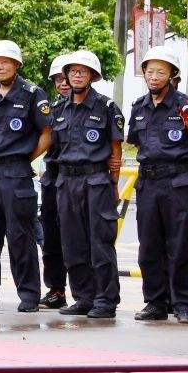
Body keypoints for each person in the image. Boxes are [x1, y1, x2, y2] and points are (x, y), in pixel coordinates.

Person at [0, 40, 52, 312]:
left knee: (20, 236)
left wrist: (24, 157)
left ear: (16, 65)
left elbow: (47, 134)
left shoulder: (32, 94)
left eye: (5, 62)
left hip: (16, 173)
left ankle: (29, 295)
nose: (0, 66)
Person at [126, 46, 188, 324]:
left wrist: (187, 178)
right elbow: (138, 144)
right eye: (149, 71)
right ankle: (156, 302)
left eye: (161, 72)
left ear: (172, 75)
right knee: (149, 245)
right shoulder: (139, 107)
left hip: (178, 183)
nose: (154, 76)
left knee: (181, 244)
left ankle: (184, 304)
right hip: (148, 183)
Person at [48, 51, 124, 318]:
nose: (77, 75)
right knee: (72, 243)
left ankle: (106, 300)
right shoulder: (59, 110)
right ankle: (83, 297)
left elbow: (116, 150)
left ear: (92, 76)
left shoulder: (106, 107)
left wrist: (114, 184)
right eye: (73, 71)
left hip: (96, 180)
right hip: (66, 181)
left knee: (100, 242)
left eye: (83, 71)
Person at [38, 55, 73, 309]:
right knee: (51, 238)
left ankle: (91, 293)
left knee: (83, 239)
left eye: (66, 78)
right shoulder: (50, 111)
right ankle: (56, 290)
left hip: (80, 179)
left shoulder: (99, 108)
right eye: (58, 79)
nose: (63, 83)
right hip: (53, 178)